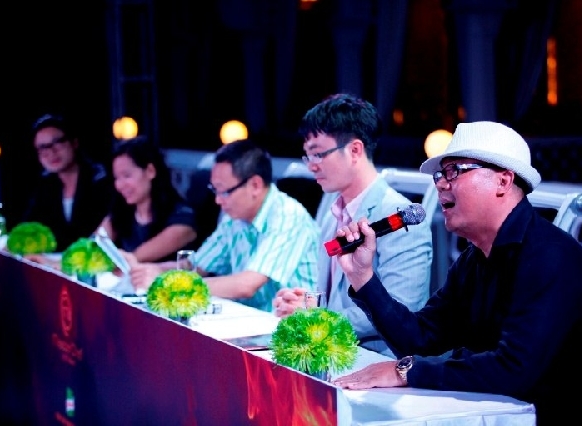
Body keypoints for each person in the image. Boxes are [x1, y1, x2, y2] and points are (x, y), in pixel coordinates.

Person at [331, 121, 582, 424]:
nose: (440, 184)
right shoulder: (475, 258)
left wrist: (406, 371)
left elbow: (513, 369)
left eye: (454, 171)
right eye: (440, 175)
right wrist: (362, 276)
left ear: (503, 181)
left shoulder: (550, 256)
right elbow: (420, 338)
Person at [273, 93, 433, 357]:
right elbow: (334, 301)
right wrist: (305, 302)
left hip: (379, 361)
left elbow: (403, 309)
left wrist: (317, 316)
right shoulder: (333, 213)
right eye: (307, 157)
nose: (312, 166)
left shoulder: (397, 216)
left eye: (318, 154)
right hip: (333, 355)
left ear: (355, 150)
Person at [127, 139, 320, 312]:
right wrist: (152, 271)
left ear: (255, 185)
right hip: (250, 321)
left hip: (295, 329)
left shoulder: (288, 217)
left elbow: (246, 285)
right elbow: (196, 266)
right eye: (215, 190)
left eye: (224, 191)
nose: (218, 200)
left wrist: (173, 285)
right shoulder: (234, 218)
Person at [99, 137, 198, 263]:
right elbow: (93, 248)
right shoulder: (119, 215)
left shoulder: (182, 216)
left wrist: (120, 261)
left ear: (150, 171)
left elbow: (133, 260)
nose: (120, 185)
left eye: (127, 176)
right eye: (116, 178)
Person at [23, 113, 112, 252]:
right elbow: (28, 227)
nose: (51, 152)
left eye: (57, 142)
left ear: (74, 143)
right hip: (56, 260)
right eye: (43, 147)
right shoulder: (45, 186)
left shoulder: (99, 178)